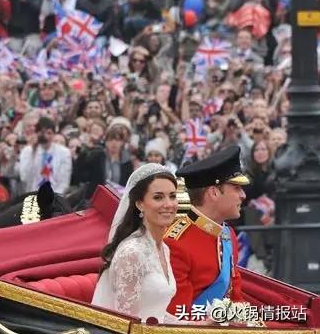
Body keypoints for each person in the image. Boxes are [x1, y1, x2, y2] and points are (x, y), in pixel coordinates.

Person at [165, 145, 248, 318]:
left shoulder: (227, 234)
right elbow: (178, 318)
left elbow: (235, 295)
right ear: (214, 193)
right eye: (237, 188)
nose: (243, 195)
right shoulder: (175, 242)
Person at [92, 163, 179, 323]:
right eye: (158, 197)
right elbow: (128, 323)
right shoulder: (132, 252)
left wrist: (197, 325)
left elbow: (156, 313)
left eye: (172, 196)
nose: (169, 204)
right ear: (139, 204)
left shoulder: (164, 249)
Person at [19, 116, 72, 195]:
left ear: (54, 134)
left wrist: (53, 198)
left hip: (55, 197)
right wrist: (33, 153)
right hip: (32, 196)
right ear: (37, 133)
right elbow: (24, 177)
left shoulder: (64, 152)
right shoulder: (27, 151)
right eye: (42, 132)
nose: (46, 136)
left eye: (49, 133)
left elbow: (64, 182)